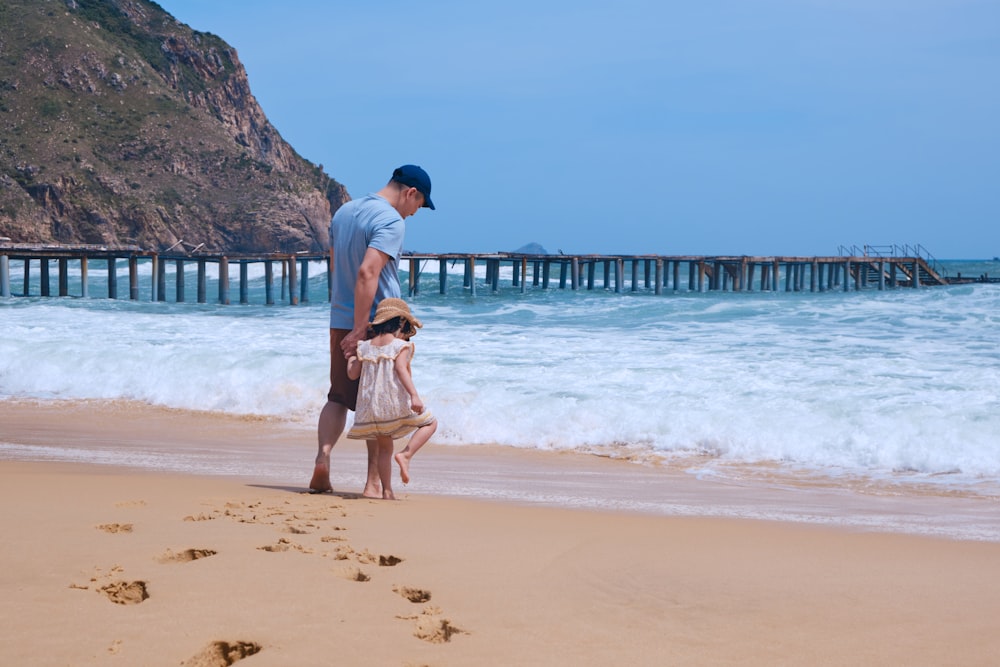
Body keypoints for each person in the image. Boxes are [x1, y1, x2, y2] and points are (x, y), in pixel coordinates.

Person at [309, 165, 435, 496]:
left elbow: (337, 267)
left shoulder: (344, 212)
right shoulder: (391, 220)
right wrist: (362, 327)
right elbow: (368, 272)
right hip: (377, 323)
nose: (414, 213)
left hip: (339, 316)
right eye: (418, 205)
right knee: (378, 403)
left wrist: (348, 324)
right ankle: (372, 484)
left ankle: (323, 457)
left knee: (338, 395)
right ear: (410, 192)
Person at [345, 298, 437, 499]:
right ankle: (406, 454)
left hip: (371, 407)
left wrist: (351, 358)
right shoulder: (399, 346)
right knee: (430, 423)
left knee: (385, 448)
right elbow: (400, 369)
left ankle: (387, 491)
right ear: (401, 323)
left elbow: (353, 374)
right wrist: (414, 396)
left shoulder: (365, 347)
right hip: (393, 402)